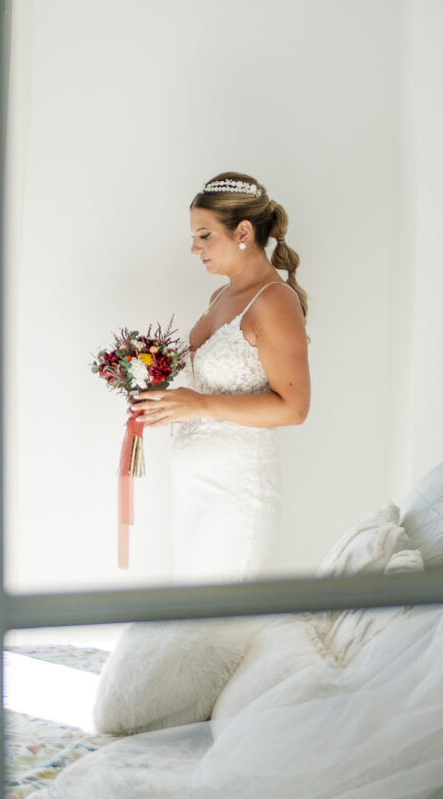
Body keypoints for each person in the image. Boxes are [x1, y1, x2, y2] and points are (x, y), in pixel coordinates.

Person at [133, 174, 311, 583]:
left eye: (204, 235)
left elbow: (294, 408)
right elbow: (205, 386)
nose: (194, 248)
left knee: (218, 615)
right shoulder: (220, 297)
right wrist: (155, 391)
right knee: (190, 605)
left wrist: (199, 405)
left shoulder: (274, 300)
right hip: (192, 490)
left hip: (235, 494)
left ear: (243, 232)